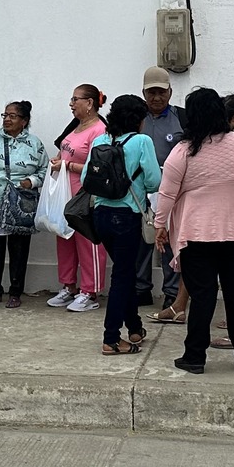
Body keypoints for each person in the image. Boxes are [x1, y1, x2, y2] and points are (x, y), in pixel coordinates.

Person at [153, 88, 234, 374]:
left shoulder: (184, 150)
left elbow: (167, 193)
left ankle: (195, 357)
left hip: (198, 235)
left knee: (203, 296)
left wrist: (160, 225)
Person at [89, 95, 162, 355]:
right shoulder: (142, 141)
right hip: (127, 215)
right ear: (139, 119)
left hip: (100, 215)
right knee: (122, 276)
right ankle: (111, 338)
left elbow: (88, 177)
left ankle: (134, 327)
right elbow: (154, 181)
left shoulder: (100, 141)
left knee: (126, 271)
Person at [0, 100, 47, 309]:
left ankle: (15, 293)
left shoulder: (35, 144)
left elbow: (44, 170)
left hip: (21, 203)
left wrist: (31, 182)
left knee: (19, 250)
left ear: (24, 121)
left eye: (12, 116)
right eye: (5, 115)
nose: (7, 119)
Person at [48, 84, 107, 311]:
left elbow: (98, 167)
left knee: (88, 241)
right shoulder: (75, 126)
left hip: (85, 195)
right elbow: (65, 151)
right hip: (65, 194)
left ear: (90, 103)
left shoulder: (99, 131)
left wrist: (67, 166)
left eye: (75, 99)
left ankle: (90, 292)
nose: (71, 104)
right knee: (65, 238)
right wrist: (58, 161)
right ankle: (69, 286)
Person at [135, 68, 185, 316]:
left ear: (170, 92)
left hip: (172, 190)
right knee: (142, 241)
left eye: (161, 92)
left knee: (168, 241)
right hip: (140, 190)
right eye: (151, 92)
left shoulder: (181, 118)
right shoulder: (136, 118)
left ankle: (172, 292)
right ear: (143, 93)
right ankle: (141, 289)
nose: (156, 97)